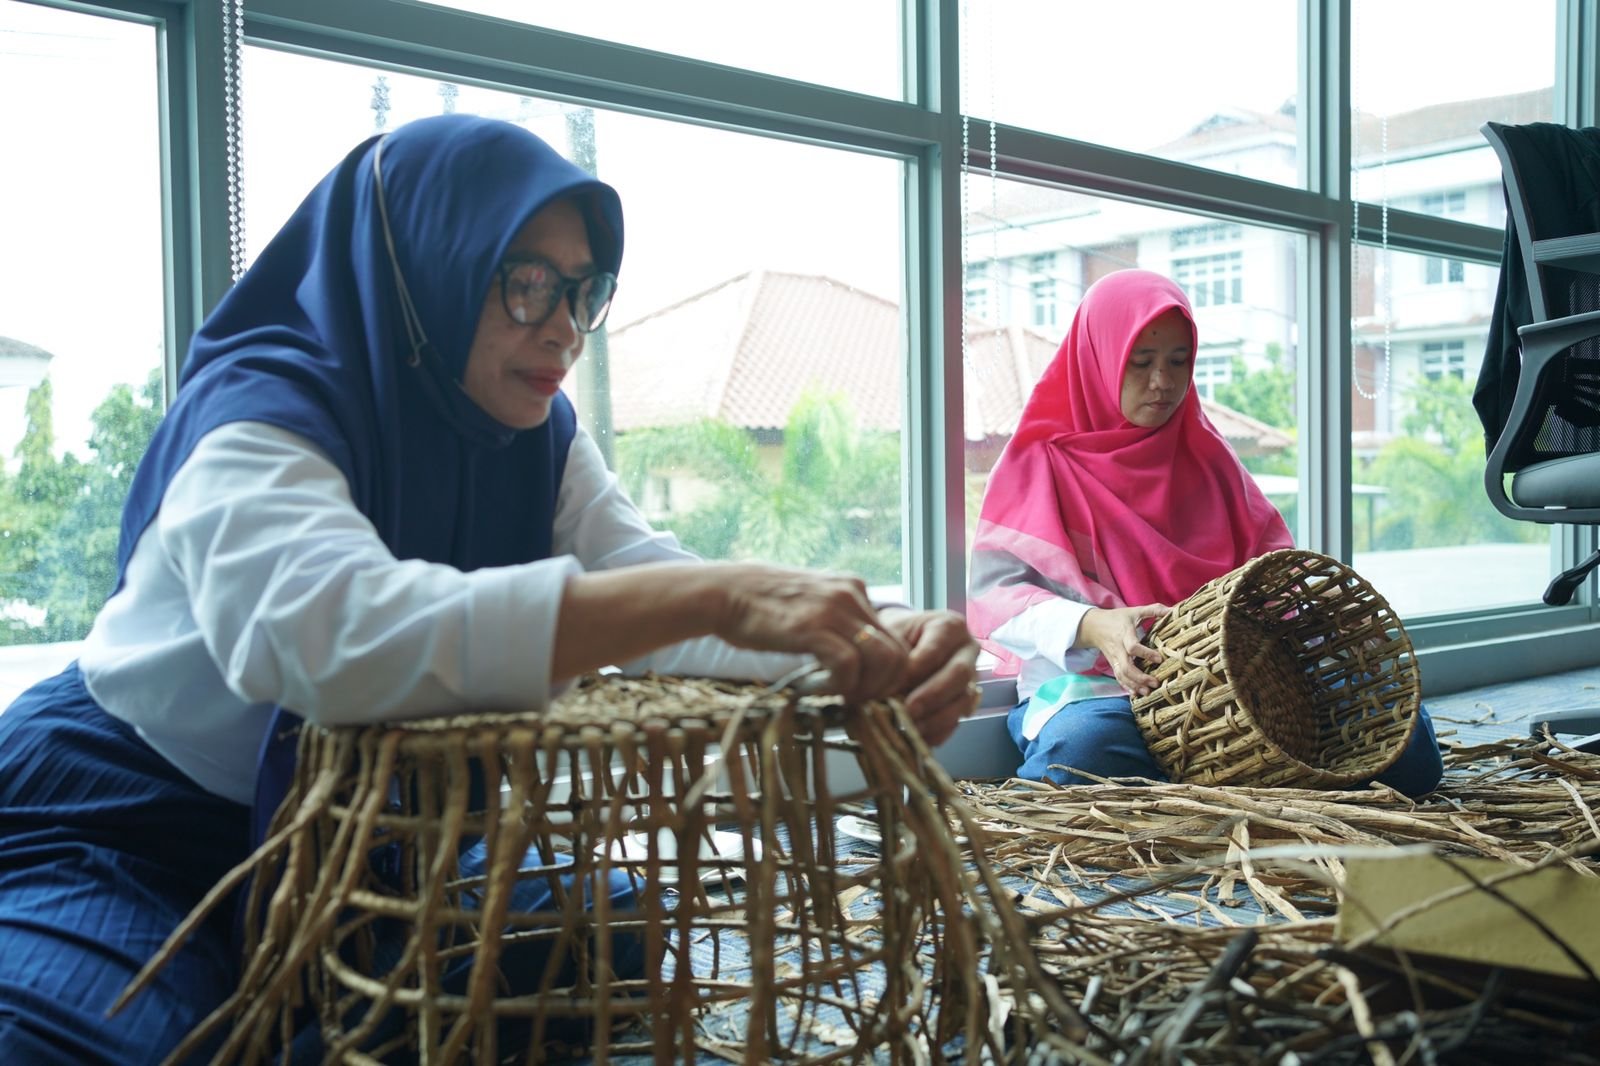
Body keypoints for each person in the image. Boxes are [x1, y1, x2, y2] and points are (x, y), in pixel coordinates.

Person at [0, 114, 980, 1064]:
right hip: (132, 820)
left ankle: (264, 1013)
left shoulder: (532, 433)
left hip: (377, 843)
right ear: (422, 269)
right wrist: (723, 599)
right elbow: (324, 635)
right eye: (522, 284)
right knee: (59, 1038)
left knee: (602, 930)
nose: (562, 328)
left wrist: (879, 649)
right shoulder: (261, 410)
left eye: (581, 291)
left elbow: (653, 585)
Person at [967, 269, 1443, 795]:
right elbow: (995, 595)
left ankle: (1212, 774)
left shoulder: (1208, 456)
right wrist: (1091, 624)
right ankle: (1241, 777)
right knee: (1082, 753)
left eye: (1178, 362)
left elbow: (1272, 576)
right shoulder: (1040, 463)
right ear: (1098, 360)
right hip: (1105, 689)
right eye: (1140, 363)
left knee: (1410, 746)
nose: (1163, 383)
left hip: (1236, 688)